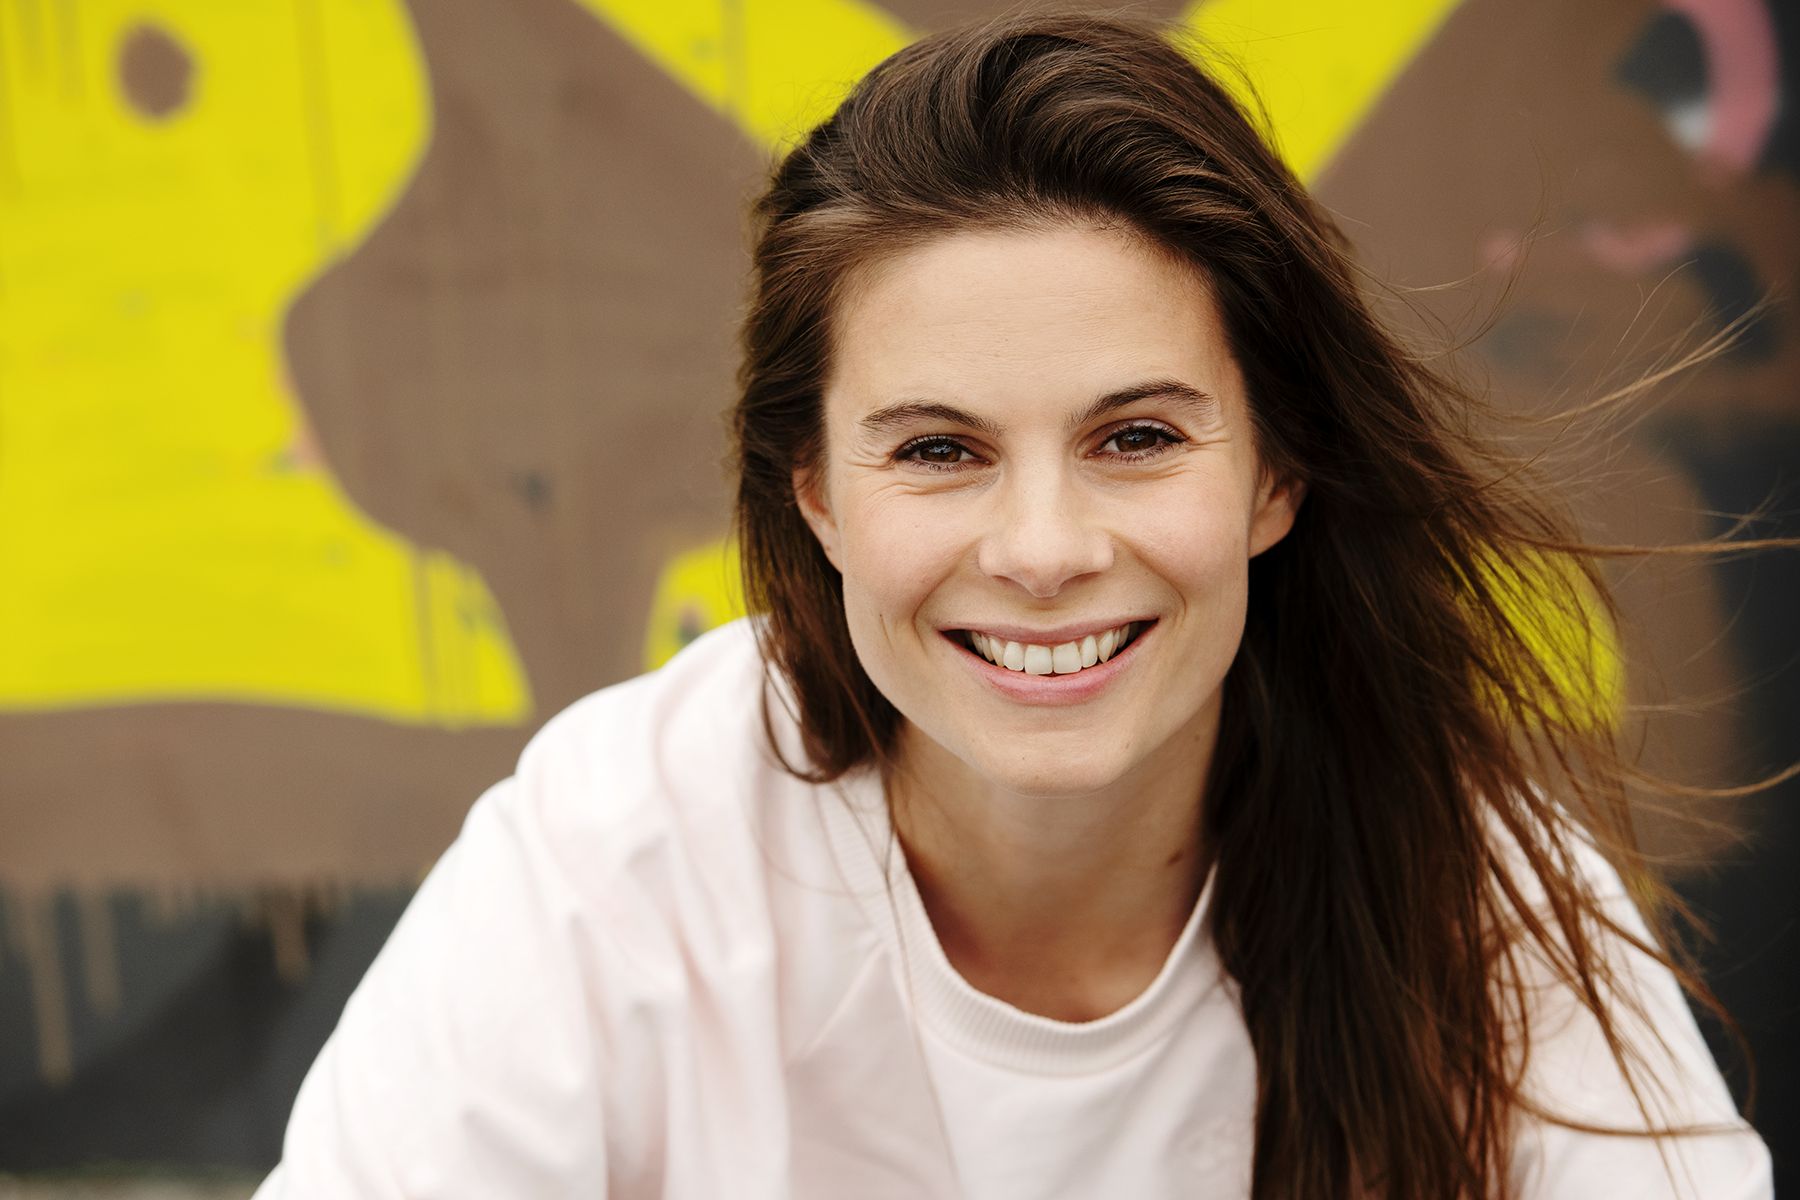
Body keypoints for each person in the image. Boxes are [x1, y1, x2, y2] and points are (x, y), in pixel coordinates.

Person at [253, 12, 1775, 1198]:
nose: (1042, 550)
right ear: (816, 497)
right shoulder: (612, 861)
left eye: (1137, 438)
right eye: (938, 451)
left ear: (1275, 476)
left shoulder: (1467, 887)